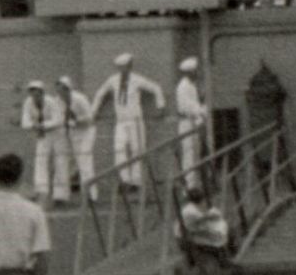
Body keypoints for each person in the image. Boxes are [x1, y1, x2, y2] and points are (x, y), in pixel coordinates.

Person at [93, 54, 165, 191]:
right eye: (119, 67)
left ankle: (136, 182)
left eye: (124, 67)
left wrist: (160, 106)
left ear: (130, 66)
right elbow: (100, 93)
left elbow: (155, 88)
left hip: (135, 120)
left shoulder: (137, 80)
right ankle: (125, 180)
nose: (122, 70)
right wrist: (93, 112)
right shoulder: (113, 80)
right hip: (121, 121)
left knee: (137, 149)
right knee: (119, 149)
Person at [21, 80, 65, 203]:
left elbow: (58, 120)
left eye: (37, 92)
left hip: (57, 134)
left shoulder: (51, 102)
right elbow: (24, 121)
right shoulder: (28, 102)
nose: (34, 95)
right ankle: (41, 191)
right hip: (43, 134)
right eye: (32, 92)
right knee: (40, 160)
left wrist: (42, 125)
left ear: (42, 92)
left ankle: (60, 195)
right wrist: (33, 125)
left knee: (60, 161)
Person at [172, 57, 210, 188]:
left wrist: (202, 116)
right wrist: (202, 111)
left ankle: (196, 184)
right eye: (195, 70)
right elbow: (190, 107)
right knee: (189, 154)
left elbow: (199, 103)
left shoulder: (193, 85)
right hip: (186, 122)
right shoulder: (182, 87)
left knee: (196, 152)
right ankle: (189, 185)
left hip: (194, 121)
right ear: (189, 72)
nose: (197, 72)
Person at [56, 75, 97, 195]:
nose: (59, 93)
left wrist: (75, 121)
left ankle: (91, 194)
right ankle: (75, 188)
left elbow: (90, 119)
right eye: (58, 90)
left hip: (87, 132)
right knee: (77, 161)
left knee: (85, 160)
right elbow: (60, 118)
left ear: (68, 89)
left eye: (62, 90)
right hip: (73, 133)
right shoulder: (57, 101)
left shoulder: (80, 99)